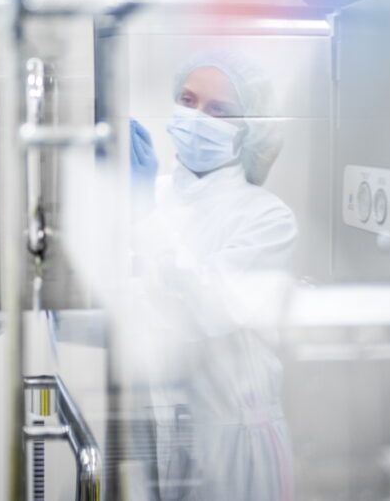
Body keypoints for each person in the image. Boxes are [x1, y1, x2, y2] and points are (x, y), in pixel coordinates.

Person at [130, 49, 297, 500]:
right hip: (157, 434)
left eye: (218, 109)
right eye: (187, 100)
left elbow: (202, 312)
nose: (195, 117)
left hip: (233, 445)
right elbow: (128, 312)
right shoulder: (154, 195)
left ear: (250, 128)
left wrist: (144, 217)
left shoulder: (267, 218)